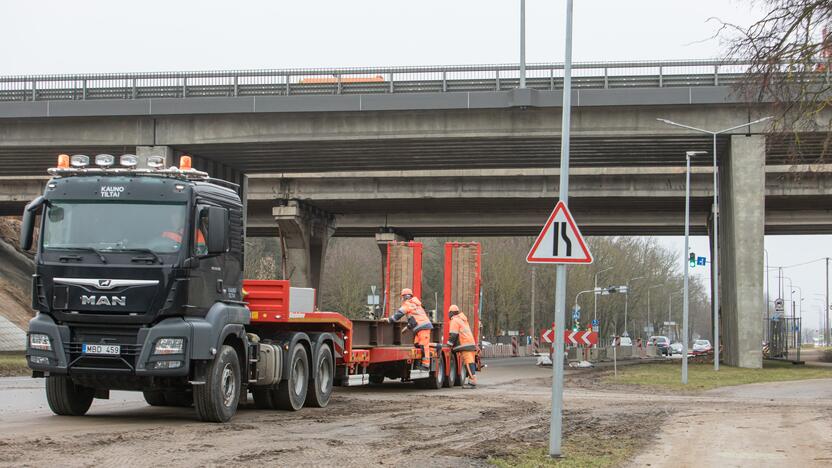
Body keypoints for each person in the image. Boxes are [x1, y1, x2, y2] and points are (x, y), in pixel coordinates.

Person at [380, 288, 433, 370]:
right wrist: (407, 328)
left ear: (404, 297)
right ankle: (437, 346)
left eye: (402, 297)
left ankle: (426, 365)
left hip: (423, 327)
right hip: (422, 326)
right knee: (417, 344)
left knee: (423, 345)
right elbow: (414, 319)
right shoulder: (417, 304)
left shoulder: (407, 305)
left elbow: (398, 315)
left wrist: (389, 320)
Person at [446, 304, 478, 388]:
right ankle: (472, 380)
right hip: (470, 343)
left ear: (451, 313)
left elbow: (453, 334)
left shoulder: (455, 320)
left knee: (468, 362)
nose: (448, 315)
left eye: (449, 313)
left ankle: (473, 382)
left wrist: (449, 345)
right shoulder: (462, 319)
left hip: (464, 344)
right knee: (471, 362)